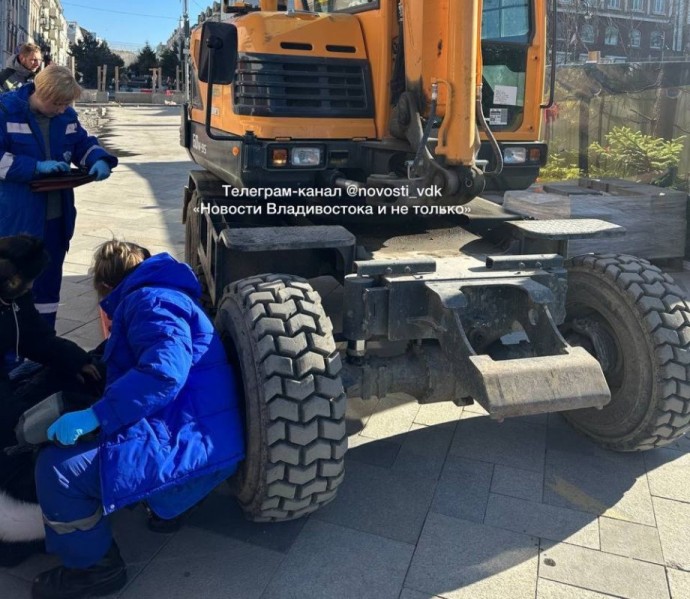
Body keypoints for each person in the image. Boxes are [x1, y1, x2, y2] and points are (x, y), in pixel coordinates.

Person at [32, 240, 245, 599]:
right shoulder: (165, 294)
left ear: (108, 286)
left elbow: (164, 373)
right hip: (207, 435)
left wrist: (95, 415)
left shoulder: (149, 301)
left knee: (57, 470)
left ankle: (94, 571)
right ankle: (170, 508)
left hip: (195, 446)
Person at [0, 234, 100, 568]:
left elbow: (34, 336)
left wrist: (76, 359)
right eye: (29, 283)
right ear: (14, 281)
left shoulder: (10, 297)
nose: (31, 289)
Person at [0, 65, 118, 328]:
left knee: (48, 287)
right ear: (43, 95)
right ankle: (10, 353)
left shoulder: (66, 117)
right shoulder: (6, 111)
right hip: (16, 220)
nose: (64, 109)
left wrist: (99, 160)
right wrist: (35, 167)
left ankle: (42, 343)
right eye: (60, 104)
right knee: (12, 287)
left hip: (55, 218)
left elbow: (82, 144)